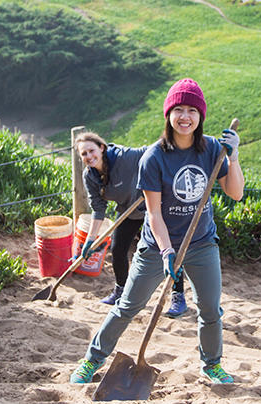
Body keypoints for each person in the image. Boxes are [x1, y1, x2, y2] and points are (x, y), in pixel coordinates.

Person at [70, 78, 244, 385]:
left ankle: (211, 364)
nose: (185, 116)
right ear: (168, 114)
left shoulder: (213, 150)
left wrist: (234, 156)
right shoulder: (154, 157)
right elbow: (152, 213)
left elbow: (235, 193)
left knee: (210, 309)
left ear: (201, 115)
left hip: (201, 243)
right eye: (179, 109)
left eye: (192, 110)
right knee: (128, 306)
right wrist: (166, 251)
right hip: (156, 247)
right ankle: (92, 359)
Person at [74, 133, 188, 316]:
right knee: (118, 249)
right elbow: (98, 208)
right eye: (84, 154)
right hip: (129, 210)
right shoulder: (90, 176)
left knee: (169, 250)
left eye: (91, 151)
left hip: (155, 207)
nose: (89, 156)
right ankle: (121, 291)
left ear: (101, 148)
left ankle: (178, 296)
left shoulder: (124, 157)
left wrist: (173, 137)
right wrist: (90, 240)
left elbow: (151, 151)